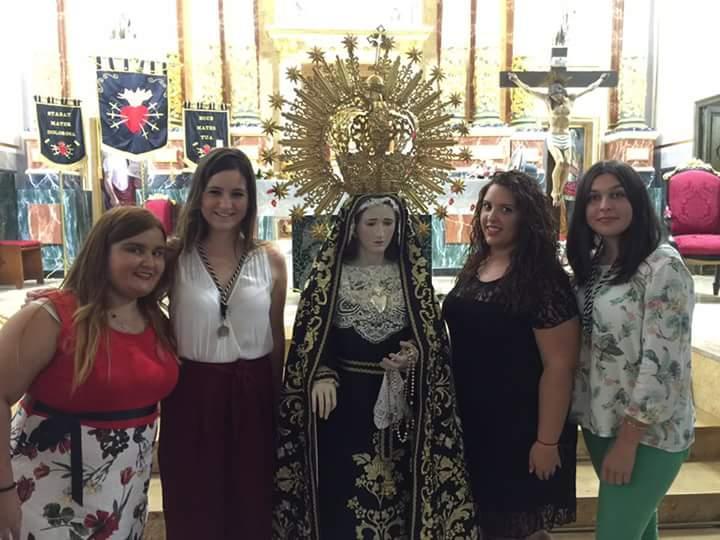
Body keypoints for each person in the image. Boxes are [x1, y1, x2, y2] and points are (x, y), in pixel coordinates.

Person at [273, 194, 477, 539]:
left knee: (400, 488)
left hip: (402, 402)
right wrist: (322, 374)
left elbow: (429, 336)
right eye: (371, 223)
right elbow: (314, 337)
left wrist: (414, 356)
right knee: (343, 486)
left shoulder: (411, 278)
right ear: (353, 226)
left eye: (388, 223)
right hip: (344, 403)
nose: (380, 232)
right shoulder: (330, 278)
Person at [0, 206, 178, 540]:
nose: (149, 262)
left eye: (157, 253)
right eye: (134, 249)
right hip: (47, 487)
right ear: (101, 252)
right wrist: (3, 490)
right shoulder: (52, 315)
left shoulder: (156, 321)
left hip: (124, 490)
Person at [443, 170, 580, 540]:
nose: (492, 217)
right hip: (474, 420)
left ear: (527, 217)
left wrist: (547, 441)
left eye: (506, 209)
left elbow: (559, 366)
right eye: (487, 207)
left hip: (521, 426)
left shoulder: (544, 279)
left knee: (517, 526)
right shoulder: (476, 265)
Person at [159, 147, 287, 539]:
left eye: (237, 194)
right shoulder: (175, 255)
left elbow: (275, 336)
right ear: (199, 195)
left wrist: (277, 400)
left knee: (252, 502)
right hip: (193, 393)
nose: (226, 204)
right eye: (215, 192)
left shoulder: (270, 260)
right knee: (194, 502)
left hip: (254, 394)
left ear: (250, 200)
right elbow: (128, 299)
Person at [566, 160, 695, 540]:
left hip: (647, 432)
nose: (604, 206)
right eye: (594, 198)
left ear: (637, 201)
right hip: (601, 420)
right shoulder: (593, 266)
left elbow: (664, 365)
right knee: (637, 531)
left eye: (616, 195)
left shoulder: (662, 267)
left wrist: (628, 440)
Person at [507, 72, 606, 207]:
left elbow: (589, 89)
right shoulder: (548, 101)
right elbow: (529, 90)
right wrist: (516, 80)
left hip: (566, 136)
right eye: (553, 95)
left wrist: (600, 80)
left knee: (567, 163)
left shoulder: (571, 99)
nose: (555, 97)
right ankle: (555, 192)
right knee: (560, 161)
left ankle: (561, 191)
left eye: (557, 95)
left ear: (562, 92)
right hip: (554, 136)